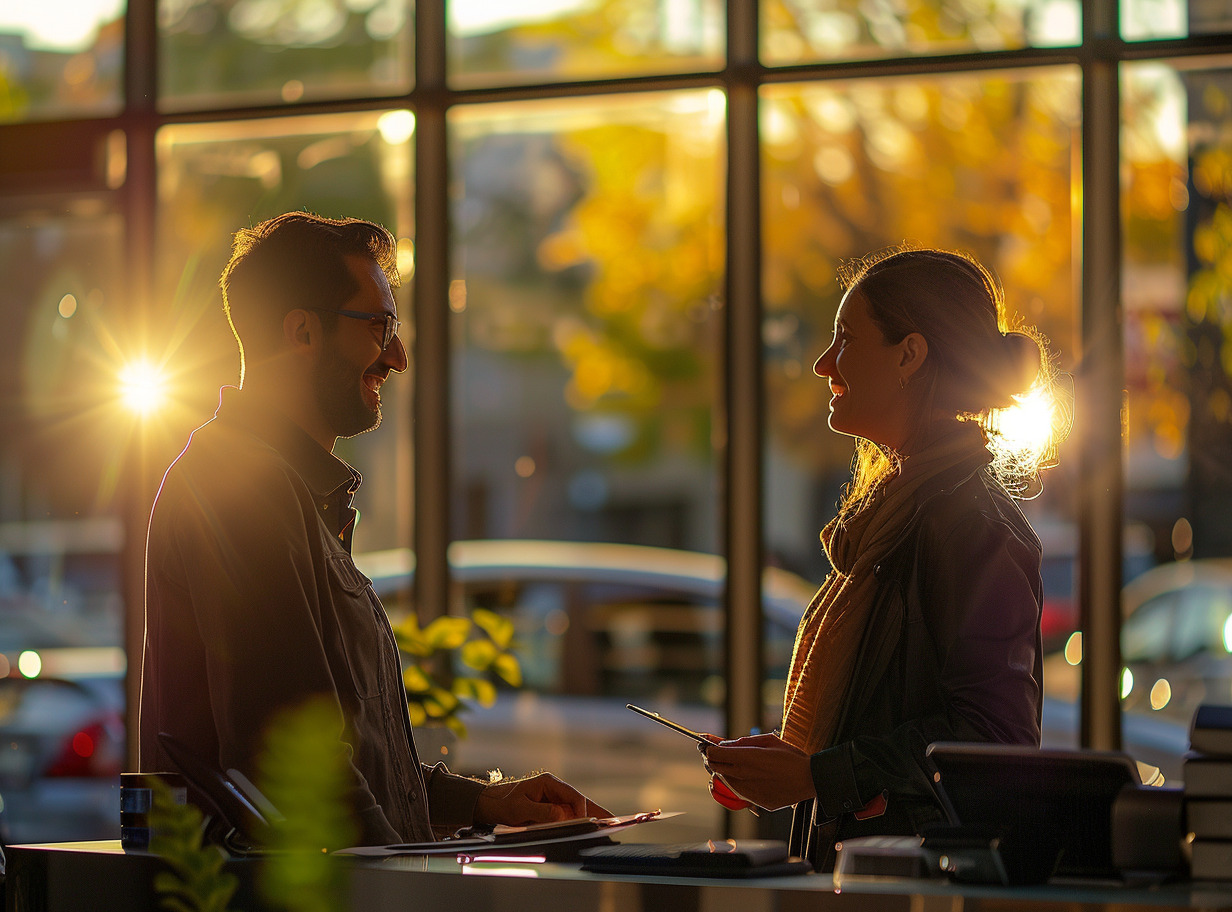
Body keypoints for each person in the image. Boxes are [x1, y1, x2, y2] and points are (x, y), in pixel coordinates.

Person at [139, 211, 608, 846]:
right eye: (379, 326)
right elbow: (297, 759)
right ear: (302, 331)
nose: (399, 356)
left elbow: (349, 758)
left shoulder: (285, 489)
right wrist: (408, 886)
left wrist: (485, 802)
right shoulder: (242, 490)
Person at [702, 247, 1058, 870]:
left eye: (845, 339)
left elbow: (994, 742)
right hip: (878, 879)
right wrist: (802, 768)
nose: (823, 364)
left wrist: (818, 775)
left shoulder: (970, 526)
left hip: (916, 887)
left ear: (909, 355)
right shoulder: (901, 520)